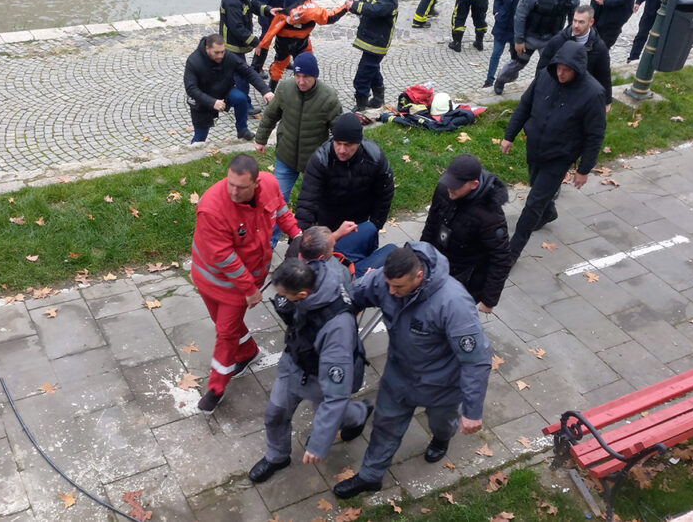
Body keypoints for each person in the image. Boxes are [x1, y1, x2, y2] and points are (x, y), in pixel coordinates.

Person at [332, 243, 492, 499]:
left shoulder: (454, 303)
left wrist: (473, 411)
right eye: (389, 285)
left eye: (399, 287)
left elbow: (476, 360)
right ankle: (371, 476)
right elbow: (350, 297)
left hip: (441, 386)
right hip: (399, 376)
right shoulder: (386, 280)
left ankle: (442, 439)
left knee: (442, 424)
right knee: (384, 425)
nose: (391, 292)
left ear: (419, 276)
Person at [191, 154, 302, 413]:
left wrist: (296, 233)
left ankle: (216, 387)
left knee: (226, 332)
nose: (233, 191)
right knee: (224, 324)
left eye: (241, 187)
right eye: (230, 183)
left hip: (236, 285)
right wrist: (250, 291)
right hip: (215, 278)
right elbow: (225, 258)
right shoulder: (212, 207)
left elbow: (281, 210)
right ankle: (249, 352)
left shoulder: (270, 185)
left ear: (256, 183)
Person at [248, 257, 372, 483]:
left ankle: (361, 413)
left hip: (320, 377)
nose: (281, 300)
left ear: (303, 296)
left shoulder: (337, 328)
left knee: (336, 414)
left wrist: (318, 443)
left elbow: (336, 393)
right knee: (275, 413)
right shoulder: (314, 271)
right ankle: (277, 456)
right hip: (294, 363)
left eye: (286, 296)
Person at [501, 41, 606, 263]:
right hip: (536, 146)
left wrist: (584, 169)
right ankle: (548, 212)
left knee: (533, 203)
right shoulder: (544, 77)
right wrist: (509, 135)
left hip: (560, 156)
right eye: (559, 68)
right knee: (536, 184)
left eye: (567, 70)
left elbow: (594, 135)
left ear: (577, 70)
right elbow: (524, 105)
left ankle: (512, 252)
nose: (561, 73)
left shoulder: (592, 93)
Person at [295, 113, 396, 273]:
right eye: (338, 143)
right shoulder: (321, 159)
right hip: (329, 219)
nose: (342, 150)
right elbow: (308, 200)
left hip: (360, 222)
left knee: (363, 259)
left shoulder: (374, 158)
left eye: (348, 145)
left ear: (358, 142)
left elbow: (385, 193)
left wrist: (376, 224)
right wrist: (303, 242)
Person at [420, 154, 511, 313]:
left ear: (473, 184)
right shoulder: (445, 189)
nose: (449, 189)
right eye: (448, 182)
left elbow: (501, 259)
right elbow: (432, 223)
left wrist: (489, 300)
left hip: (464, 279)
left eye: (455, 185)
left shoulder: (491, 217)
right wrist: (420, 254)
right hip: (437, 263)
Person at [253, 51, 341, 206]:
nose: (301, 81)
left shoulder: (329, 97)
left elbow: (339, 131)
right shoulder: (284, 88)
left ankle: (314, 227)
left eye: (306, 76)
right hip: (286, 155)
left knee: (315, 200)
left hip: (314, 159)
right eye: (297, 76)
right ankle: (275, 231)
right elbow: (270, 115)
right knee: (277, 199)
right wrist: (261, 139)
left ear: (315, 76)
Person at [493, 0, 579, 95]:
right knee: (518, 63)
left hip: (552, 37)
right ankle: (500, 80)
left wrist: (569, 37)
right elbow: (520, 16)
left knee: (549, 66)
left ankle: (540, 89)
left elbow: (573, 15)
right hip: (530, 36)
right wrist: (519, 40)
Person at [184, 34, 275, 142]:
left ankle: (242, 130)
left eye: (222, 52)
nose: (220, 56)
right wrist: (212, 102)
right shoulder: (193, 61)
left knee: (240, 98)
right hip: (202, 101)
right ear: (207, 48)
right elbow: (191, 89)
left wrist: (265, 91)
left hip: (224, 92)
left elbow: (248, 72)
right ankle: (195, 152)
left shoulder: (227, 56)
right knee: (200, 136)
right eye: (216, 53)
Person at [220, 0, 278, 109]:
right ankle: (244, 105)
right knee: (242, 76)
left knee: (235, 75)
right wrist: (256, 42)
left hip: (238, 45)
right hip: (232, 46)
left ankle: (228, 99)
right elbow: (237, 28)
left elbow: (254, 4)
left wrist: (268, 10)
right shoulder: (231, 1)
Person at [535, 5, 611, 111]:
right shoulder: (557, 41)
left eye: (581, 22)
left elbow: (604, 75)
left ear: (591, 22)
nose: (576, 25)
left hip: (580, 96)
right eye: (574, 21)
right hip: (556, 91)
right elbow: (543, 66)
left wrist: (606, 101)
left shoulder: (599, 48)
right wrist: (540, 88)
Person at [349, 0, 400, 111]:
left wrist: (356, 6)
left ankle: (361, 104)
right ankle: (378, 99)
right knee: (372, 69)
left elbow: (374, 10)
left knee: (363, 75)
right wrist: (353, 5)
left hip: (377, 43)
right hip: (372, 41)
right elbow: (366, 3)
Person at [485, 0, 536, 87]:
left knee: (515, 58)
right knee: (496, 53)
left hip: (517, 29)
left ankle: (510, 76)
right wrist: (496, 11)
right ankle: (489, 80)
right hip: (502, 23)